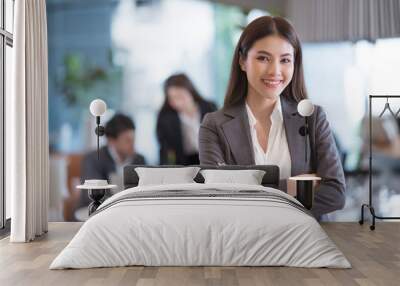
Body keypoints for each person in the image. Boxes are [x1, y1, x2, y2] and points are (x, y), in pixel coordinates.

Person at [198, 16, 345, 219]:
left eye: (285, 60)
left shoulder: (312, 118)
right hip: (242, 244)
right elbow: (218, 197)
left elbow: (335, 194)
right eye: (263, 58)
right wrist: (292, 186)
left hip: (304, 242)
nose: (275, 71)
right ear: (242, 61)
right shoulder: (214, 125)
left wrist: (248, 188)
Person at [79, 113, 146, 207]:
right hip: (95, 213)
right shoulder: (94, 159)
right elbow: (92, 195)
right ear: (111, 141)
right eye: (127, 140)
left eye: (133, 139)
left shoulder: (139, 159)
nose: (133, 145)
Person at [157, 73, 217, 165]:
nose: (177, 102)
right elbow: (164, 150)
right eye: (172, 98)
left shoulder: (209, 108)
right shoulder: (165, 118)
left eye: (180, 96)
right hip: (183, 162)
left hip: (210, 160)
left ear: (190, 92)